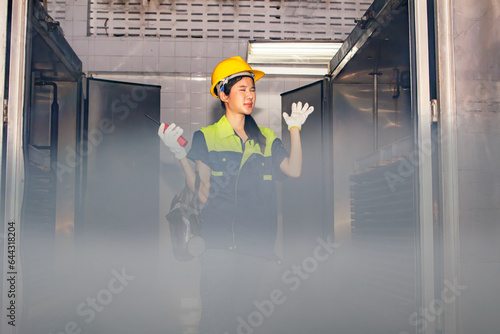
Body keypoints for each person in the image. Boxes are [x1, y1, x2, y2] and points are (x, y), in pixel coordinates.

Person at [158, 56, 313, 334]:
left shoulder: (265, 138)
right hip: (217, 248)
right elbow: (200, 193)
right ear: (223, 93)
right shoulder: (207, 137)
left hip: (256, 248)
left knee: (245, 319)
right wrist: (180, 155)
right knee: (215, 320)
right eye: (242, 88)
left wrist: (295, 129)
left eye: (252, 88)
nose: (250, 95)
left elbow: (294, 169)